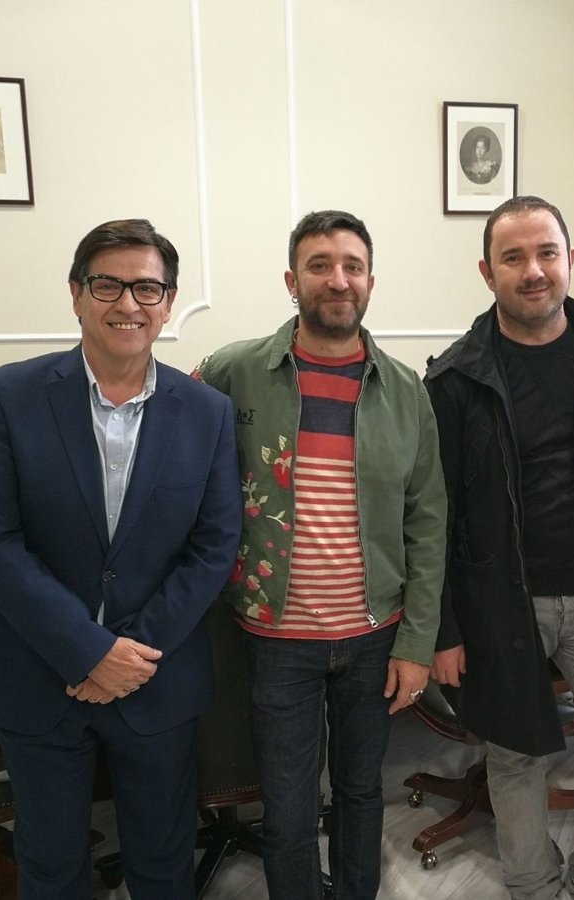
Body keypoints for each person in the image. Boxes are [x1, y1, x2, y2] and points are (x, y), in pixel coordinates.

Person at [0, 219, 243, 898]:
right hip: (39, 673)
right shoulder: (11, 394)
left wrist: (127, 655)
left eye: (147, 288)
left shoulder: (207, 411)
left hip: (155, 676)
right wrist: (88, 650)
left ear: (168, 304)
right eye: (108, 285)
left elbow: (213, 546)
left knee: (164, 865)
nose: (128, 304)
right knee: (51, 867)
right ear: (77, 294)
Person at [192, 209, 446, 900]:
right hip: (277, 637)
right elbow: (177, 463)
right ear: (291, 280)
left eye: (352, 266)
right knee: (288, 807)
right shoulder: (233, 372)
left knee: (362, 791)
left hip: (375, 635)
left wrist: (417, 643)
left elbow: (428, 523)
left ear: (370, 282)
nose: (338, 280)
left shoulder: (405, 391)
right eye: (320, 265)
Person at [425, 195, 574, 900]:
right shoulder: (455, 378)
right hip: (501, 602)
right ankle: (531, 884)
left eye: (546, 253)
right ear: (487, 272)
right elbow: (433, 513)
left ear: (569, 260)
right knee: (515, 756)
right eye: (514, 257)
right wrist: (445, 627)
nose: (533, 270)